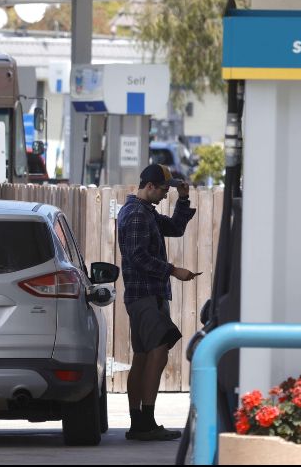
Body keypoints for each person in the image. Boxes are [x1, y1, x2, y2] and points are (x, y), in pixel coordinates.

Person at [117, 163, 198, 441]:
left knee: (142, 357)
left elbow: (175, 228)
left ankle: (139, 422)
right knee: (158, 352)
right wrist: (173, 270)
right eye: (164, 190)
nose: (165, 194)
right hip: (145, 296)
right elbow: (137, 256)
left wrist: (183, 199)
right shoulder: (136, 215)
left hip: (147, 296)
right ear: (149, 186)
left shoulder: (145, 211)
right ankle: (145, 423)